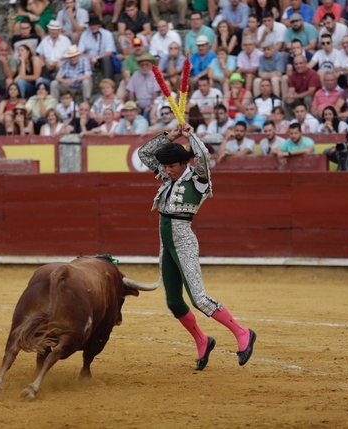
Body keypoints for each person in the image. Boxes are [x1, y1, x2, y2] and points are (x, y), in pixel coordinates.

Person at [138, 124, 256, 371]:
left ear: (184, 163)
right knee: (173, 301)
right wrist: (169, 137)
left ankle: (242, 332)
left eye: (172, 166)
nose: (167, 171)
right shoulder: (167, 173)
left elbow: (203, 156)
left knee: (199, 299)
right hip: (167, 243)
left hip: (183, 242)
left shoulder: (198, 178)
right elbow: (145, 155)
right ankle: (202, 340)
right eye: (166, 166)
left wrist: (190, 135)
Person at [78, 14, 116, 81]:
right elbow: (79, 52)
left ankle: (108, 81)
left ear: (99, 25)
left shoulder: (107, 34)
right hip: (89, 60)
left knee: (106, 59)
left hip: (101, 59)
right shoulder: (85, 35)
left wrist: (96, 58)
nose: (93, 27)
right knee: (81, 59)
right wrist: (88, 57)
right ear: (89, 26)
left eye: (95, 25)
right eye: (92, 25)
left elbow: (109, 52)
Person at [36, 20, 72, 86]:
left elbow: (69, 54)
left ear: (59, 30)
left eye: (55, 30)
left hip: (60, 63)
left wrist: (57, 62)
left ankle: (60, 84)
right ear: (49, 30)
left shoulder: (65, 40)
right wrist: (45, 64)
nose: (53, 32)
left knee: (60, 65)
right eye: (51, 29)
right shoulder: (45, 40)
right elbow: (40, 54)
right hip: (47, 65)